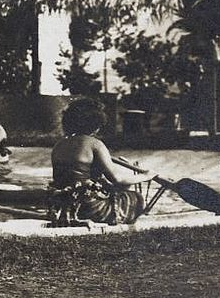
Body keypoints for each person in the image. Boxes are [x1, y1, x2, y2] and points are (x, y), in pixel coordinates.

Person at [48, 96, 153, 225]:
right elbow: (117, 180)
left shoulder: (59, 145)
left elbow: (70, 178)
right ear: (95, 124)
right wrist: (146, 176)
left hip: (62, 206)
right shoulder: (95, 144)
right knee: (136, 197)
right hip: (88, 207)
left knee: (116, 190)